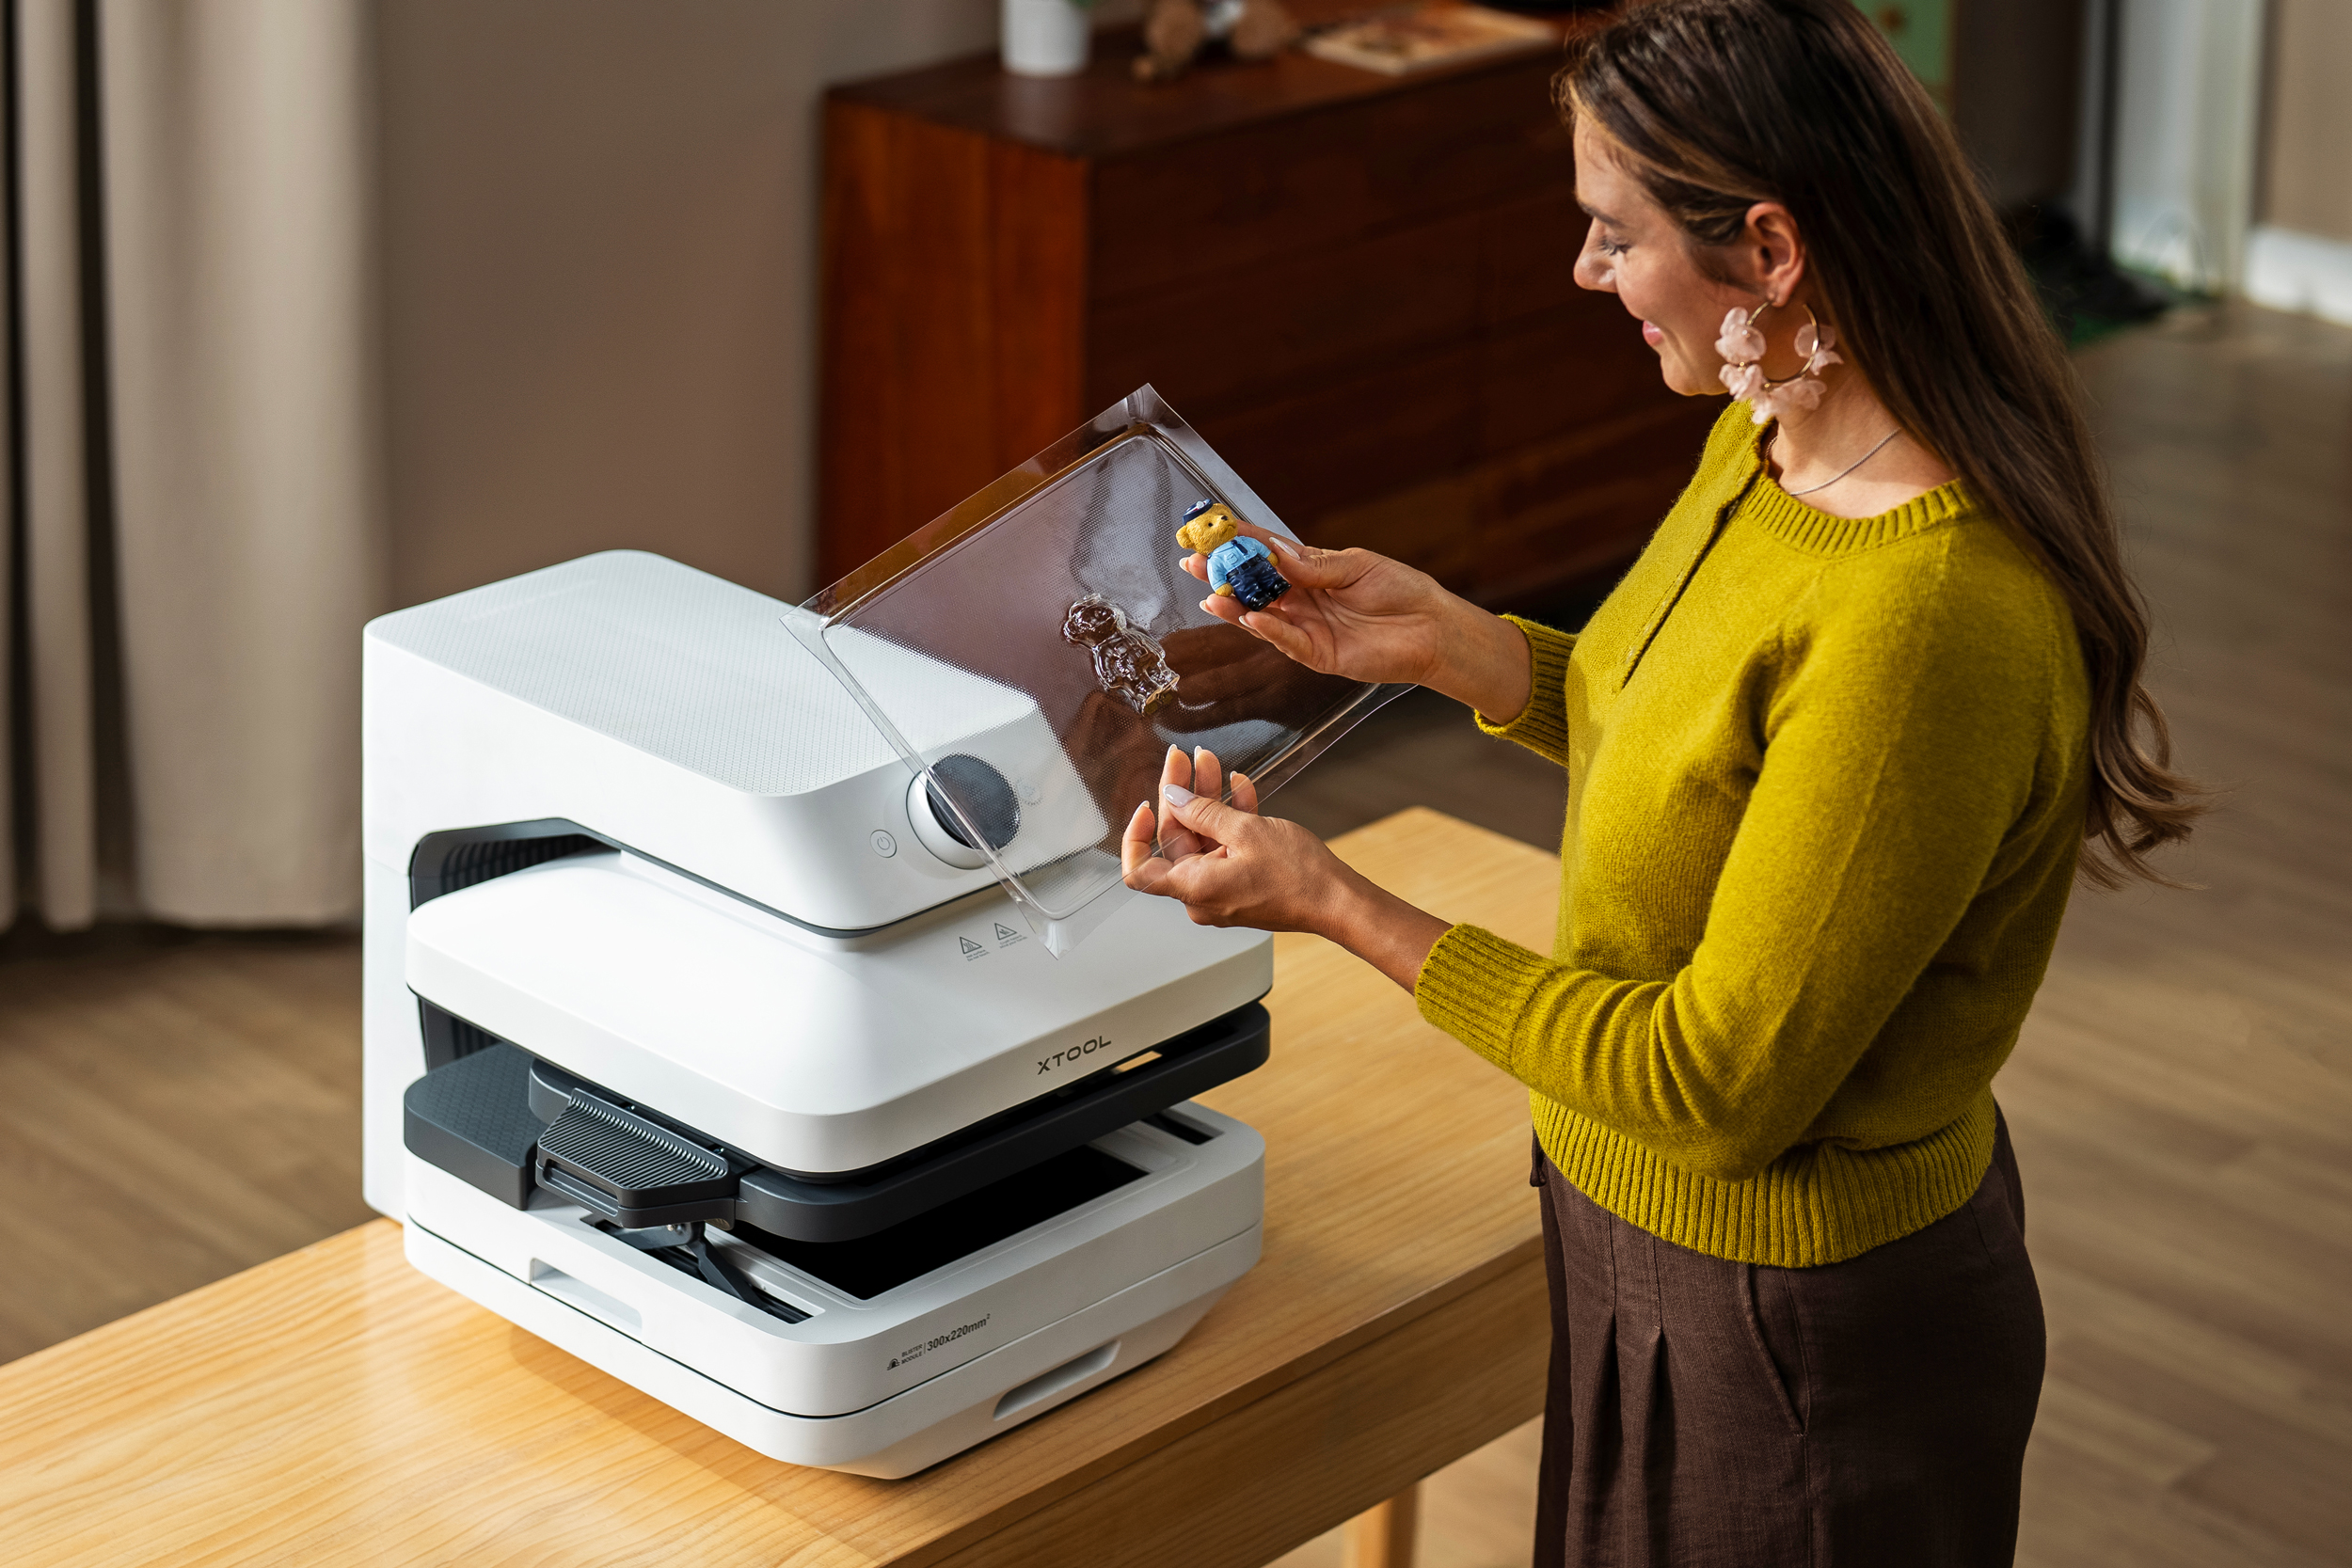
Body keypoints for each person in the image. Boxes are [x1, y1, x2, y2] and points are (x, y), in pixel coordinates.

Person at [1120, 1, 2203, 1561]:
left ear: (1768, 252)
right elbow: (1710, 762)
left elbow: (1714, 1086)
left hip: (1800, 1324)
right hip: (1637, 1235)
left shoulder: (1927, 621)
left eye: (1616, 235)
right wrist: (1451, 645)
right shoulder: (1770, 443)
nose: (1586, 272)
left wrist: (1336, 902)